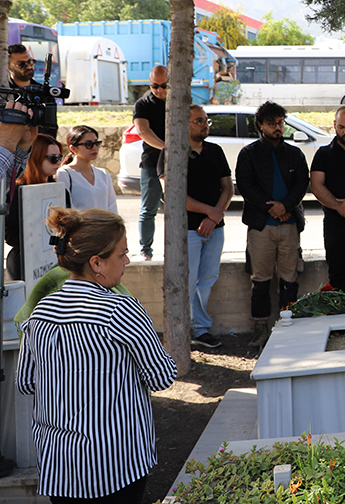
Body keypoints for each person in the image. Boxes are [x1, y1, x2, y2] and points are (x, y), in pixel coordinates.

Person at [16, 207, 176, 503]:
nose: (127, 261)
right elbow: (162, 376)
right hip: (115, 465)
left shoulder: (41, 311)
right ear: (96, 262)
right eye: (122, 254)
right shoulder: (121, 309)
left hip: (59, 465)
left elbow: (25, 382)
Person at [157, 105, 232, 350]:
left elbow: (228, 188)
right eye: (199, 121)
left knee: (207, 279)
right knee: (187, 282)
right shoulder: (170, 153)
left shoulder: (215, 150)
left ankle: (200, 329)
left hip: (215, 228)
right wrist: (209, 211)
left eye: (206, 120)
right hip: (188, 230)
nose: (204, 125)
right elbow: (172, 193)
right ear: (184, 123)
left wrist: (214, 216)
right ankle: (189, 328)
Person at [236, 101, 308, 349]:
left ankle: (288, 327)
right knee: (260, 280)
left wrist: (285, 206)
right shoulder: (249, 154)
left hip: (289, 225)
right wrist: (272, 208)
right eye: (271, 123)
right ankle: (260, 329)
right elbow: (245, 186)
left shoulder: (294, 154)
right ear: (260, 125)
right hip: (260, 227)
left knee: (290, 279)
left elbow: (302, 184)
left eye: (280, 123)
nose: (277, 128)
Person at [5, 134, 67, 281]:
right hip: (25, 262)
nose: (58, 162)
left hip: (53, 260)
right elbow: (10, 233)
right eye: (53, 158)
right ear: (36, 158)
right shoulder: (18, 191)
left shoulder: (60, 190)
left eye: (60, 157)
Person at [310, 106, 345, 291]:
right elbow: (316, 185)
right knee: (337, 276)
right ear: (335, 125)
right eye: (342, 127)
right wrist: (339, 207)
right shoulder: (323, 154)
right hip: (335, 223)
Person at [133, 65, 167, 260]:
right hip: (152, 162)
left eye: (164, 86)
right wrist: (166, 148)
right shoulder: (143, 104)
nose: (159, 90)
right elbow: (143, 131)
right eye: (155, 86)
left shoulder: (180, 102)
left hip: (179, 162)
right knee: (149, 209)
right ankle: (146, 250)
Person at [56, 125, 118, 213]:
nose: (95, 148)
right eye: (88, 144)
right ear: (73, 148)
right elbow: (65, 208)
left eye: (96, 143)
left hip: (105, 222)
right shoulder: (64, 174)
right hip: (79, 222)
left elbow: (112, 207)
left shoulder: (103, 174)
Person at [7, 44, 56, 137]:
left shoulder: (44, 92)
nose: (29, 67)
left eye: (31, 62)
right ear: (8, 67)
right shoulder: (4, 92)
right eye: (21, 65)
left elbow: (52, 130)